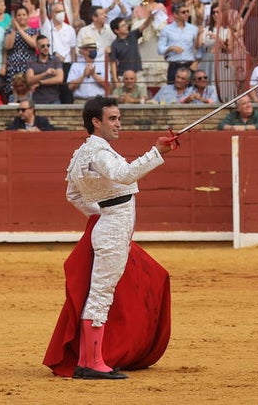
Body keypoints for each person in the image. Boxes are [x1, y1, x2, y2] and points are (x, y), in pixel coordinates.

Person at [55, 96, 178, 380]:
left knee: (100, 292)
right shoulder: (99, 153)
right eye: (112, 118)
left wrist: (98, 213)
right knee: (101, 294)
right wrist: (157, 152)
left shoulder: (82, 154)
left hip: (108, 224)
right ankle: (93, 362)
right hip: (113, 227)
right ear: (95, 122)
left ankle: (89, 359)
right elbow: (124, 174)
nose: (118, 123)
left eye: (118, 117)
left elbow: (72, 195)